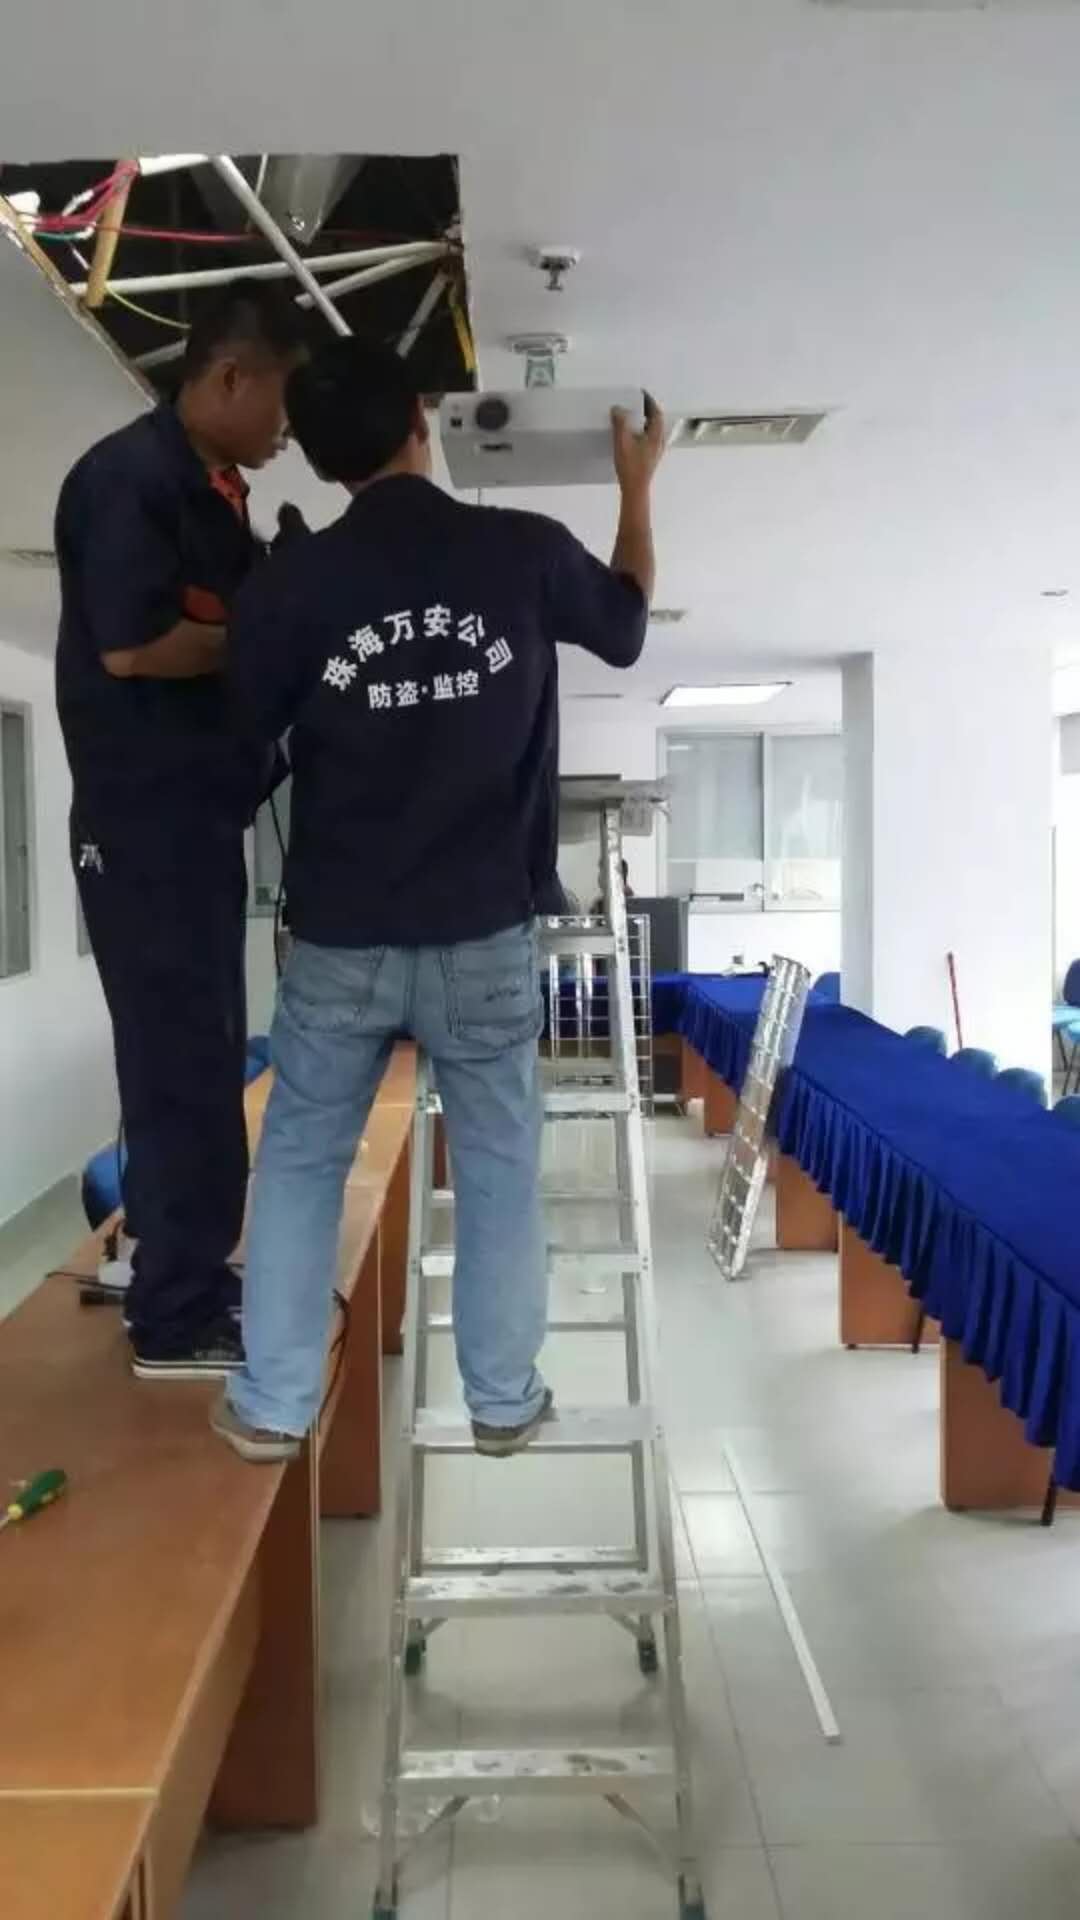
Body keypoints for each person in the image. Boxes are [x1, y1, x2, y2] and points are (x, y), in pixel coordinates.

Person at [212, 339, 665, 1462]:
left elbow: (241, 749)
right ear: (421, 421)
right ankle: (503, 1400)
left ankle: (273, 1404)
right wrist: (637, 486)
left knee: (302, 1162)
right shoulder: (520, 550)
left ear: (322, 461)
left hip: (340, 937)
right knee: (500, 1166)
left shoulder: (291, 589)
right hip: (482, 930)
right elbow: (624, 627)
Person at [55, 282, 307, 1379]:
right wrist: (262, 631)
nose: (288, 427)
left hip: (195, 818)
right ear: (231, 377)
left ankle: (189, 1274)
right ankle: (172, 1318)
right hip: (144, 824)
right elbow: (133, 646)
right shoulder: (129, 479)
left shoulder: (215, 492)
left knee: (203, 1055)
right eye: (283, 400)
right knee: (179, 1064)